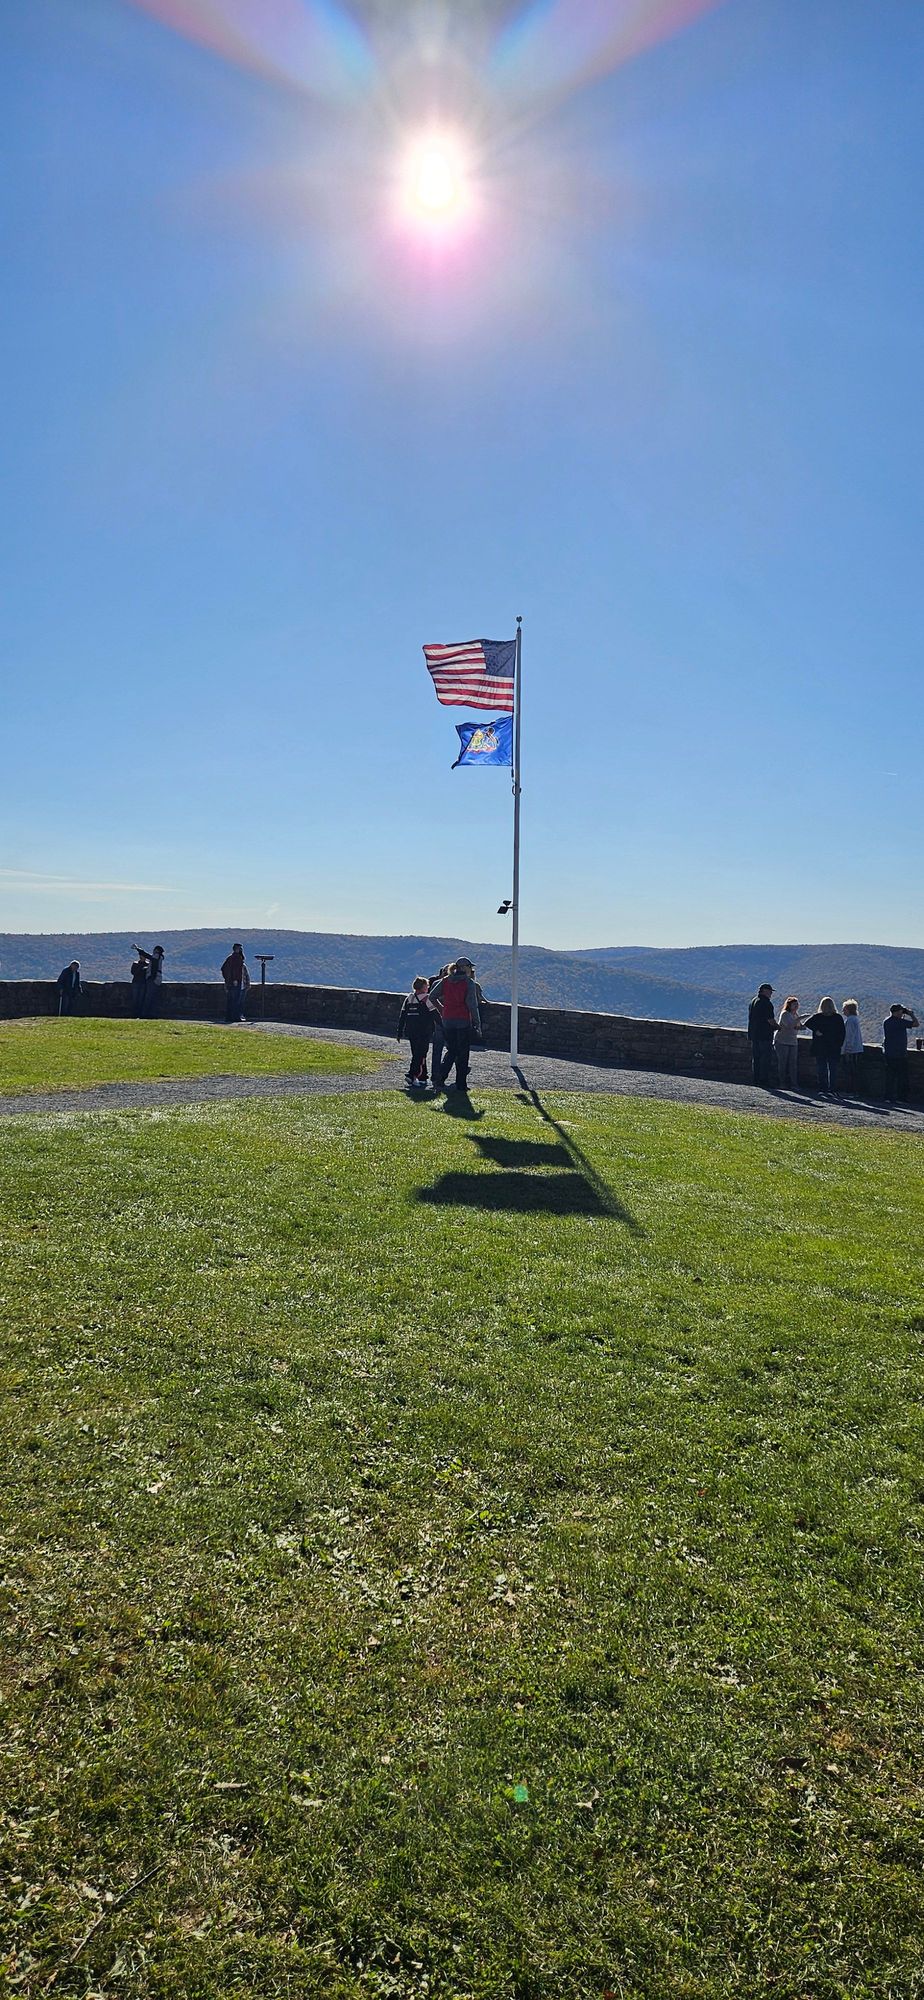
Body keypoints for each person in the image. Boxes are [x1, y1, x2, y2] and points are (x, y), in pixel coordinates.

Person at [428, 958, 481, 1093]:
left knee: (452, 1050)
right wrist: (477, 1023)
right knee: (463, 1053)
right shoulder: (469, 983)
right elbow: (472, 1005)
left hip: (447, 1020)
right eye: (469, 966)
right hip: (463, 1020)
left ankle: (440, 1078)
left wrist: (442, 1009)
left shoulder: (445, 981)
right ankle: (461, 1084)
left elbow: (432, 996)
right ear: (464, 967)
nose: (471, 969)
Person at [803, 996, 846, 1095]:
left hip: (820, 1047)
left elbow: (807, 1024)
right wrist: (839, 1044)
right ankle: (832, 1089)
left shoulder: (818, 1017)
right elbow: (842, 1033)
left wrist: (816, 1030)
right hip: (833, 1047)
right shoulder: (837, 1018)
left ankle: (823, 1088)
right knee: (833, 1069)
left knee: (821, 1068)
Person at [397, 977, 434, 1087]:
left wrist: (399, 1031)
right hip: (424, 1031)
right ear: (423, 987)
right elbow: (434, 1014)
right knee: (421, 1054)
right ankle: (412, 1075)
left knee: (417, 1053)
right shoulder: (426, 998)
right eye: (427, 985)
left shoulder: (409, 998)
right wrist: (442, 1026)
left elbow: (402, 1016)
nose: (428, 987)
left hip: (411, 1031)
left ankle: (423, 1077)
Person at [882, 1003, 919, 1103]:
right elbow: (916, 1024)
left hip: (889, 1052)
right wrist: (911, 1014)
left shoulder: (887, 1021)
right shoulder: (899, 1022)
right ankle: (901, 1098)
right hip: (900, 1054)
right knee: (902, 1077)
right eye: (901, 1011)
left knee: (890, 1077)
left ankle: (888, 1097)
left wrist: (904, 1014)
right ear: (897, 1012)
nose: (902, 1013)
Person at [747, 983, 776, 1086]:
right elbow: (770, 1020)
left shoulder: (753, 1001)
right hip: (765, 1035)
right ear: (765, 991)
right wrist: (778, 1027)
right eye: (770, 991)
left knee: (756, 1058)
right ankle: (764, 1080)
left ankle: (756, 1079)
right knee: (765, 1058)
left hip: (754, 1034)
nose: (771, 993)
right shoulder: (766, 1003)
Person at [773, 996, 804, 1090]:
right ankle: (782, 1083)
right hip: (782, 1041)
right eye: (794, 1004)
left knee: (793, 1064)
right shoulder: (785, 1014)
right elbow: (790, 1025)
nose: (796, 1006)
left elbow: (798, 1026)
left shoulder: (795, 1015)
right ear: (789, 1005)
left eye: (797, 1004)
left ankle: (794, 1084)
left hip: (793, 1041)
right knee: (783, 1063)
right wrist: (800, 1018)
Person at [427, 964, 451, 1077]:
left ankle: (435, 1073)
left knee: (437, 1049)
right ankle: (440, 1072)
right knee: (453, 1047)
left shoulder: (436, 983)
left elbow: (430, 1000)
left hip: (438, 1018)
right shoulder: (452, 984)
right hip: (448, 1018)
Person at [221, 943, 251, 1024]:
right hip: (235, 983)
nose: (240, 950)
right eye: (239, 948)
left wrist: (228, 980)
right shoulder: (234, 958)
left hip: (237, 983)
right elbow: (230, 970)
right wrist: (233, 979)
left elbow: (225, 969)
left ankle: (230, 1017)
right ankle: (235, 1017)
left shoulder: (235, 958)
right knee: (235, 1001)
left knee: (233, 1001)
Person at [840, 1000, 865, 1091]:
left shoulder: (850, 1020)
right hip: (857, 1049)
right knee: (854, 1072)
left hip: (852, 1050)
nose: (843, 1011)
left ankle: (850, 1091)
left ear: (848, 1009)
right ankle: (854, 1091)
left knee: (850, 1071)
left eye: (844, 1009)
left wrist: (847, 1050)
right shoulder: (854, 1019)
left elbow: (849, 1036)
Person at [142, 944, 165, 1017]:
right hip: (157, 978)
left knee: (148, 997)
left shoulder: (156, 956)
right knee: (153, 997)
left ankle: (145, 1013)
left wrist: (140, 950)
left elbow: (148, 956)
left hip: (153, 979)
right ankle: (152, 1013)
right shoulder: (159, 957)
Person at [130, 950, 147, 1016]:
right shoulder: (135, 963)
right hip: (136, 982)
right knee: (135, 998)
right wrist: (141, 967)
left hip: (143, 983)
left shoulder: (148, 964)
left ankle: (140, 1013)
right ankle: (134, 1013)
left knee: (141, 999)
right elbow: (133, 972)